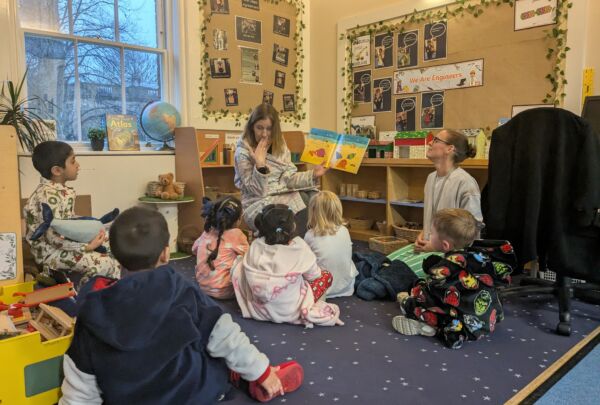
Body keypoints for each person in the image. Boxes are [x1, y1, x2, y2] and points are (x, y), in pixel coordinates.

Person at [59, 206, 304, 404]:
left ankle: (239, 374)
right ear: (166, 253)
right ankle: (243, 376)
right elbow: (223, 333)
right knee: (208, 343)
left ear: (114, 254)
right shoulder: (178, 289)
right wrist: (262, 371)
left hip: (130, 398)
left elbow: (80, 381)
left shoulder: (93, 309)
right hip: (193, 393)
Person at [392, 209, 515, 349]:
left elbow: (431, 292)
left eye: (431, 234)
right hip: (485, 321)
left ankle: (426, 324)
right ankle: (439, 327)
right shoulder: (480, 256)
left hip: (459, 322)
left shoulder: (447, 267)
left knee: (417, 295)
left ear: (445, 245)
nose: (429, 236)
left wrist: (415, 290)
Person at [23, 141, 120, 286]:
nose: (78, 165)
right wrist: (85, 247)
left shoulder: (59, 190)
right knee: (104, 263)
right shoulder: (48, 196)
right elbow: (52, 237)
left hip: (63, 244)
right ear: (57, 170)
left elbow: (67, 223)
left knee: (114, 244)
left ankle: (111, 286)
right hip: (50, 253)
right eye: (73, 161)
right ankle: (84, 294)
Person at [232, 204, 343, 327]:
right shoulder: (300, 247)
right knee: (326, 275)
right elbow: (314, 276)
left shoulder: (255, 245)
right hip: (290, 309)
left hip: (259, 309)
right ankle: (311, 305)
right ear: (293, 226)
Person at [234, 103, 327, 236]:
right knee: (303, 200)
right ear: (252, 127)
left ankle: (314, 242)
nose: (264, 134)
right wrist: (260, 165)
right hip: (256, 203)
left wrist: (313, 174)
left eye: (269, 129)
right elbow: (257, 192)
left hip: (281, 194)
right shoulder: (243, 152)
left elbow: (288, 179)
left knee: (314, 197)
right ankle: (295, 243)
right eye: (259, 128)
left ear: (275, 129)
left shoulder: (280, 146)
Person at [414, 129, 482, 252]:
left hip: (452, 255)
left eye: (436, 140)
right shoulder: (431, 178)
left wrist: (437, 247)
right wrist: (424, 233)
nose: (430, 143)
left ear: (450, 149)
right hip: (427, 248)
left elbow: (473, 231)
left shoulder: (465, 182)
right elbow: (433, 218)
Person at [193, 196, 248, 299]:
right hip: (226, 291)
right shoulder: (237, 234)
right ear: (238, 220)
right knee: (243, 260)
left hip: (203, 287)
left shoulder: (207, 231)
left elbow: (194, 249)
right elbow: (248, 258)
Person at [304, 191, 358, 298]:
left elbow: (304, 263)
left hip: (321, 290)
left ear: (313, 212)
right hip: (347, 287)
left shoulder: (310, 235)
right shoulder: (344, 230)